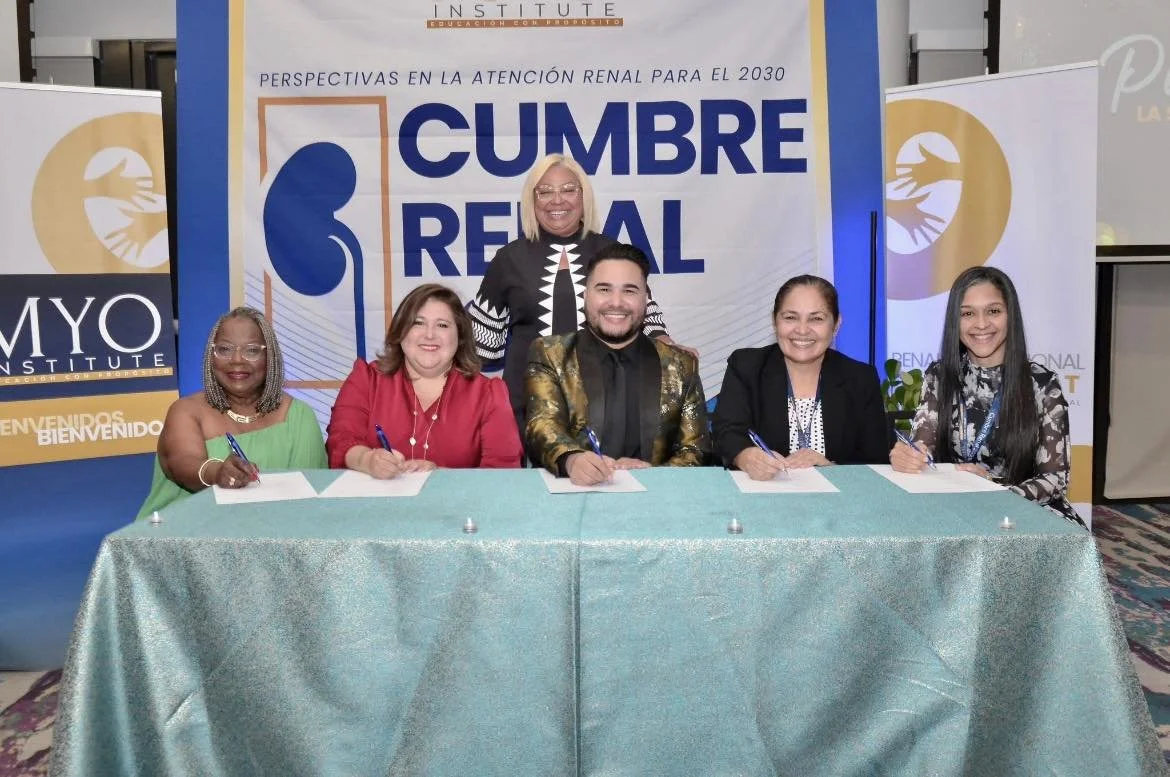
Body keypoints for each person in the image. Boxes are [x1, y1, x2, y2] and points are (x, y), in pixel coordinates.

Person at [469, 153, 691, 422]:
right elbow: (482, 348)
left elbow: (646, 318)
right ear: (532, 200)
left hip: (607, 409)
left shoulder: (612, 252)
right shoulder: (508, 259)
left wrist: (665, 344)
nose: (557, 200)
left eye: (568, 190)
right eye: (545, 191)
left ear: (583, 197)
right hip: (526, 410)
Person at [889, 266, 1082, 525]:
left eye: (993, 311)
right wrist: (907, 457)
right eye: (967, 313)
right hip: (956, 506)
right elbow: (924, 449)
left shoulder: (1043, 384)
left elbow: (1055, 481)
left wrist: (993, 489)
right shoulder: (939, 376)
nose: (981, 324)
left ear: (1010, 315)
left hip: (1024, 509)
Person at [525, 243, 707, 485]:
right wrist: (572, 459)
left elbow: (696, 449)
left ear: (646, 299)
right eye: (604, 289)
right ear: (585, 296)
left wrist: (654, 475)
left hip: (658, 503)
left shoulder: (681, 365)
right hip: (573, 499)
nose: (616, 302)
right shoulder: (551, 354)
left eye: (630, 291)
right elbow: (542, 424)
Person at [137, 307, 326, 518]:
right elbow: (181, 463)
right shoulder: (185, 411)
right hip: (186, 532)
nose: (237, 360)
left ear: (269, 357)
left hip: (275, 532)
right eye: (225, 349)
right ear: (211, 356)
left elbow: (310, 502)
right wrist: (218, 473)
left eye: (252, 350)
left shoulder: (298, 416)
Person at [327, 283, 522, 476]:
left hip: (457, 506)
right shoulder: (367, 379)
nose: (429, 334)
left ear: (460, 336)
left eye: (442, 325)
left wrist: (440, 476)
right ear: (400, 331)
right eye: (418, 323)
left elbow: (503, 474)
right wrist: (367, 460)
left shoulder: (488, 394)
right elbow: (341, 441)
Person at [712, 275, 889, 479]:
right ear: (774, 321)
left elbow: (875, 459)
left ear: (836, 324)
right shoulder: (746, 367)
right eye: (790, 317)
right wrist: (745, 456)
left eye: (816, 319)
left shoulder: (860, 378)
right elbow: (726, 432)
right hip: (764, 497)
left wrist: (831, 468)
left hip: (840, 503)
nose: (802, 330)